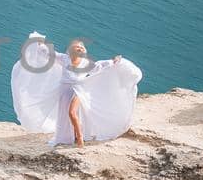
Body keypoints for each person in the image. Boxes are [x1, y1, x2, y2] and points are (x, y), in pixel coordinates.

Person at [11, 34, 142, 147]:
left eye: (81, 47)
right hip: (64, 90)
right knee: (65, 115)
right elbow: (49, 54)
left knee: (72, 112)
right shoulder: (64, 58)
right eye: (76, 46)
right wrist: (39, 44)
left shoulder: (85, 63)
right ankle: (71, 136)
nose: (79, 47)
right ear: (70, 50)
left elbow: (99, 67)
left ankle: (79, 137)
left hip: (79, 90)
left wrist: (113, 62)